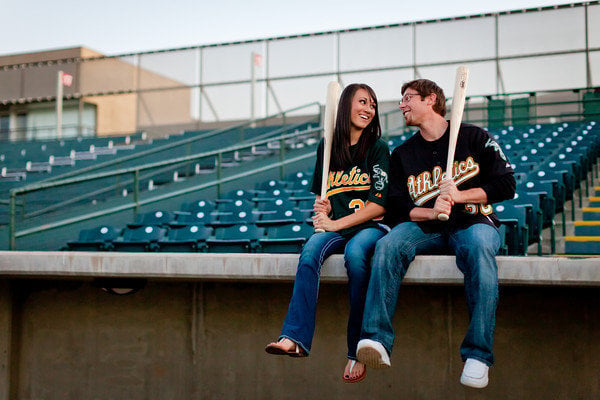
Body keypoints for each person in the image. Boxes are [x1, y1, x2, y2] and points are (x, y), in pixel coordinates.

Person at [356, 78, 516, 388]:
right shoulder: (403, 154)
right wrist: (431, 211)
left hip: (473, 222)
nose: (402, 105)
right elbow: (396, 206)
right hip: (425, 228)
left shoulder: (475, 137)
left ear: (431, 100)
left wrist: (459, 196)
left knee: (480, 247)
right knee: (388, 244)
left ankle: (478, 355)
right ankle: (375, 338)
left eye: (408, 98)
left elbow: (506, 185)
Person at [265, 83, 390, 384]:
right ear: (345, 105)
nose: (368, 109)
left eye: (372, 104)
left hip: (368, 227)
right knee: (309, 252)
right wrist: (322, 210)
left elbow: (379, 207)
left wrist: (334, 224)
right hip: (338, 226)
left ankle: (356, 350)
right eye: (362, 102)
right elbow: (325, 196)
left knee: (357, 257)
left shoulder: (377, 147)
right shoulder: (328, 146)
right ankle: (294, 338)